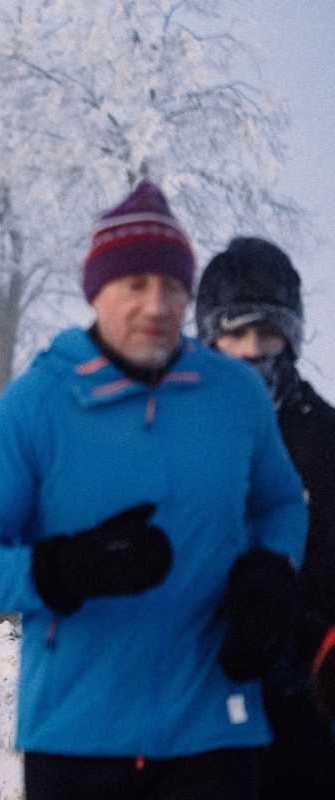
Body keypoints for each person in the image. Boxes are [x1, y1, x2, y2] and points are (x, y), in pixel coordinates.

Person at [0, 182, 308, 800]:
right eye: (135, 284)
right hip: (79, 735)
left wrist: (270, 570)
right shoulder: (37, 404)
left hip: (213, 728)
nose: (157, 304)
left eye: (173, 286)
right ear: (96, 291)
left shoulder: (234, 396)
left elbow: (280, 504)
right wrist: (59, 570)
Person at [195, 237, 335, 797]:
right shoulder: (173, 429)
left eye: (268, 331)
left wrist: (308, 639)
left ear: (292, 336)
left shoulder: (324, 439)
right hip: (196, 695)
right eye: (236, 332)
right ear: (210, 337)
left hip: (304, 696)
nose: (254, 349)